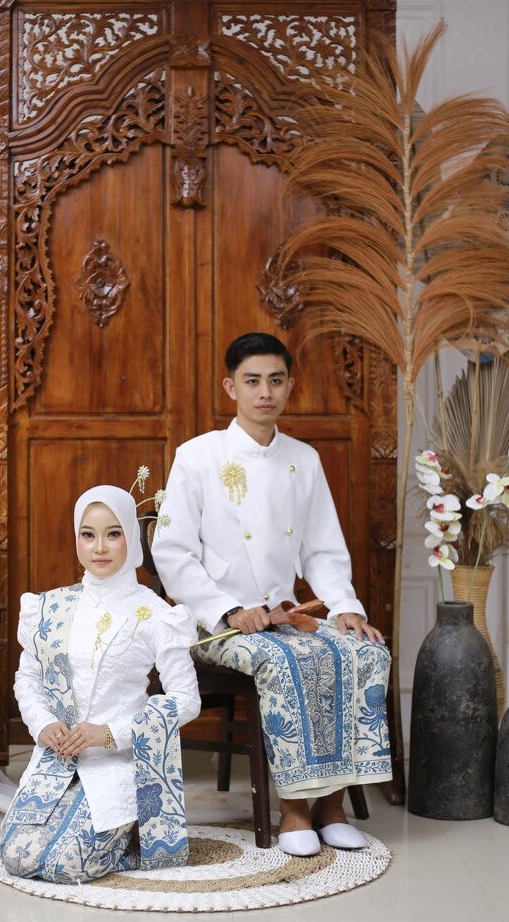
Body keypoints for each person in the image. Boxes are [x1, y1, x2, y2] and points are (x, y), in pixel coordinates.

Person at [151, 332, 391, 856]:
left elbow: (323, 549)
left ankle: (332, 805)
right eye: (253, 381)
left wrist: (346, 607)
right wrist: (228, 610)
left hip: (283, 614)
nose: (265, 392)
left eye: (276, 381)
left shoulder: (304, 459)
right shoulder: (197, 456)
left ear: (289, 385)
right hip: (213, 624)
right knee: (285, 662)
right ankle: (295, 809)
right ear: (230, 387)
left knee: (365, 650)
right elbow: (171, 552)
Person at [0, 485, 201, 883]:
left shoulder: (155, 614)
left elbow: (186, 700)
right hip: (58, 760)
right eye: (88, 535)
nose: (100, 547)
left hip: (117, 763)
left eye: (113, 533)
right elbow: (28, 677)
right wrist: (42, 724)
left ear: (131, 535)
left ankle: (131, 835)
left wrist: (108, 733)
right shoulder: (49, 606)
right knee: (17, 857)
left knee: (64, 865)